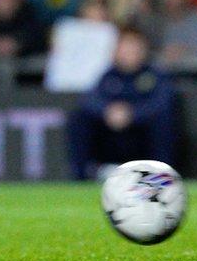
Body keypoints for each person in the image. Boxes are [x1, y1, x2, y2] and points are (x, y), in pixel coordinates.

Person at [66, 27, 179, 181]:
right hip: (112, 137)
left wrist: (132, 114)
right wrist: (108, 111)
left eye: (135, 46)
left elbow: (162, 103)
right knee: (79, 118)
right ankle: (81, 177)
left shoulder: (155, 75)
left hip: (141, 138)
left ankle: (160, 175)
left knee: (164, 121)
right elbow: (90, 100)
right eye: (126, 46)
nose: (130, 51)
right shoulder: (108, 76)